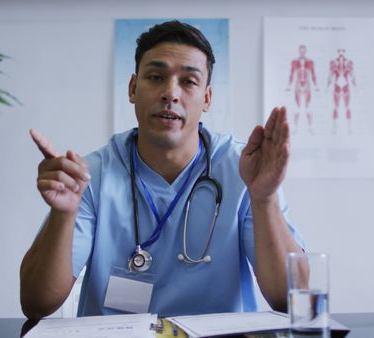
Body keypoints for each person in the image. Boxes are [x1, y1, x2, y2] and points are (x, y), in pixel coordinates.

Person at [20, 20, 306, 320]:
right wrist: (63, 214)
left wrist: (264, 198)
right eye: (155, 77)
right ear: (132, 88)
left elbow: (291, 300)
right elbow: (36, 304)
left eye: (188, 81)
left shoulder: (245, 168)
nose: (170, 93)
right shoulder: (90, 175)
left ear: (207, 98)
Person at [286, 45, 318, 135]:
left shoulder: (310, 62)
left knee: (308, 107)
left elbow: (313, 74)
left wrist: (316, 86)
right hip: (298, 86)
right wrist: (289, 85)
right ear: (299, 51)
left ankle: (310, 127)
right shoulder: (294, 62)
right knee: (297, 107)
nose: (302, 52)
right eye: (301, 51)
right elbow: (291, 74)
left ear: (306, 51)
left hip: (307, 86)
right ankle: (295, 128)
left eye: (304, 51)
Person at [328, 48, 356, 134]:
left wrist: (355, 86)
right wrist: (327, 86)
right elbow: (330, 75)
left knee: (347, 107)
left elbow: (352, 75)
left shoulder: (349, 63)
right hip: (337, 86)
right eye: (339, 51)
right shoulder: (333, 63)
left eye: (343, 51)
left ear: (345, 52)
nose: (341, 53)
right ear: (337, 52)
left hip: (345, 86)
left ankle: (349, 128)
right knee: (335, 107)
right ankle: (334, 129)